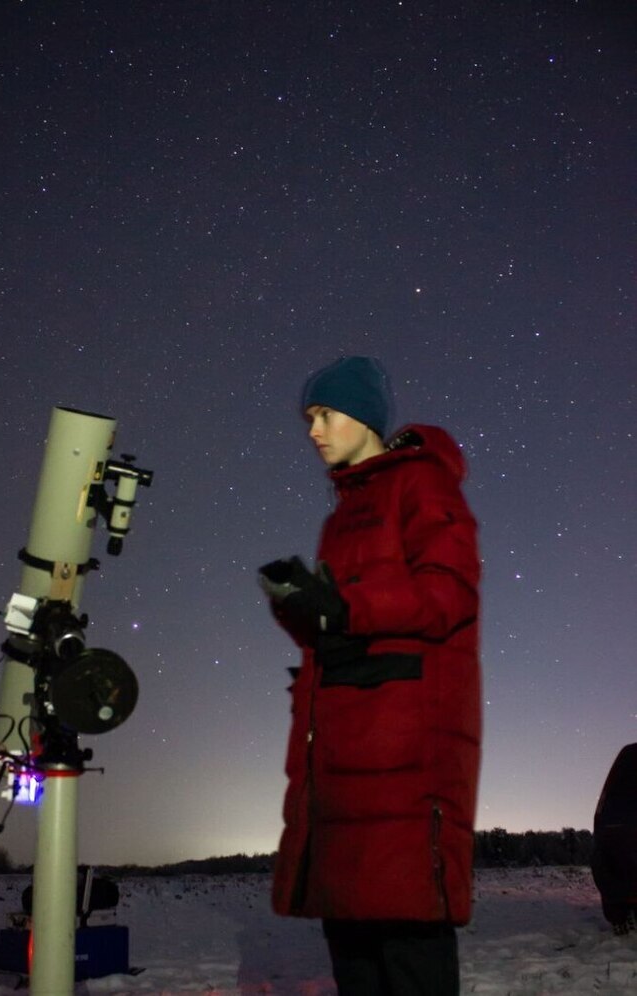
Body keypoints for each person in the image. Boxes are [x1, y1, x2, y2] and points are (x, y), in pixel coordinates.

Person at [258, 356, 481, 996]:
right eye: (309, 418)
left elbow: (448, 598)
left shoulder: (423, 486)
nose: (314, 430)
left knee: (405, 934)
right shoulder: (342, 515)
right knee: (353, 941)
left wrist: (346, 608)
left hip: (403, 754)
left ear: (364, 416)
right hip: (343, 751)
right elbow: (347, 624)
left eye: (324, 414)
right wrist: (302, 608)